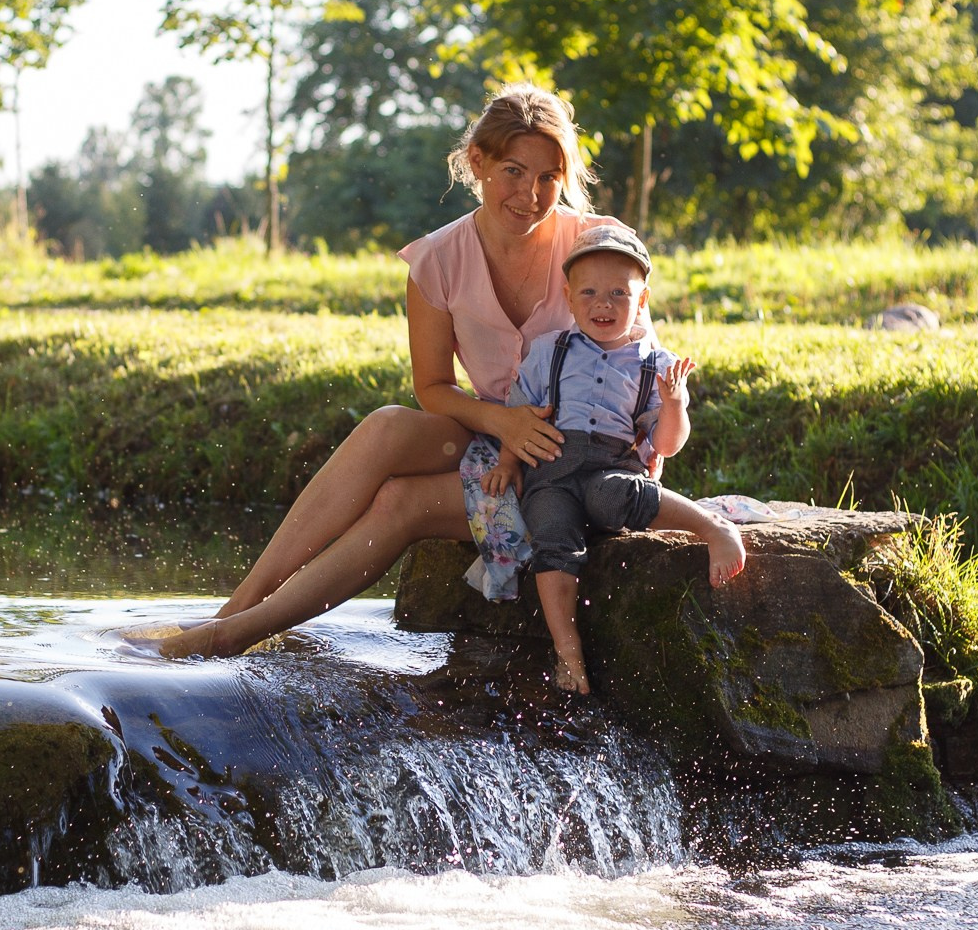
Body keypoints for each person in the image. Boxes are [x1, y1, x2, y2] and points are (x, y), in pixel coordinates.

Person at [143, 82, 743, 661]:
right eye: (513, 172)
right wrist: (502, 424)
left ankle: (237, 635)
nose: (530, 195)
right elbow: (431, 388)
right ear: (478, 162)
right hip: (496, 445)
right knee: (385, 426)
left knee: (399, 502)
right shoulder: (437, 260)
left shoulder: (598, 249)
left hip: (584, 471)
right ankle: (234, 609)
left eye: (548, 179)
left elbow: (639, 368)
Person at [482, 224, 741, 693]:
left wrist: (675, 404)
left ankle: (713, 528)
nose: (603, 304)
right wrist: (507, 461)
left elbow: (664, 445)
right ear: (569, 298)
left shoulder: (654, 364)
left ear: (642, 301)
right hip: (552, 470)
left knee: (620, 495)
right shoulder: (549, 353)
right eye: (590, 292)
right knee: (551, 535)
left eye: (618, 293)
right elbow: (519, 413)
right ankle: (568, 650)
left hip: (610, 467)